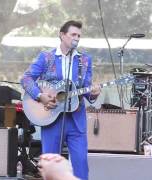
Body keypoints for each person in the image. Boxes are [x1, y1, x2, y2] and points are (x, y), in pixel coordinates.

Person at [21, 20, 100, 180]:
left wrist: (94, 93)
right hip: (51, 118)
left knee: (81, 164)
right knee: (51, 166)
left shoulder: (84, 60)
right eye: (73, 34)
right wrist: (40, 96)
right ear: (62, 35)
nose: (76, 38)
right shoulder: (46, 57)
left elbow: (86, 90)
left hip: (76, 119)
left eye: (79, 35)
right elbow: (26, 78)